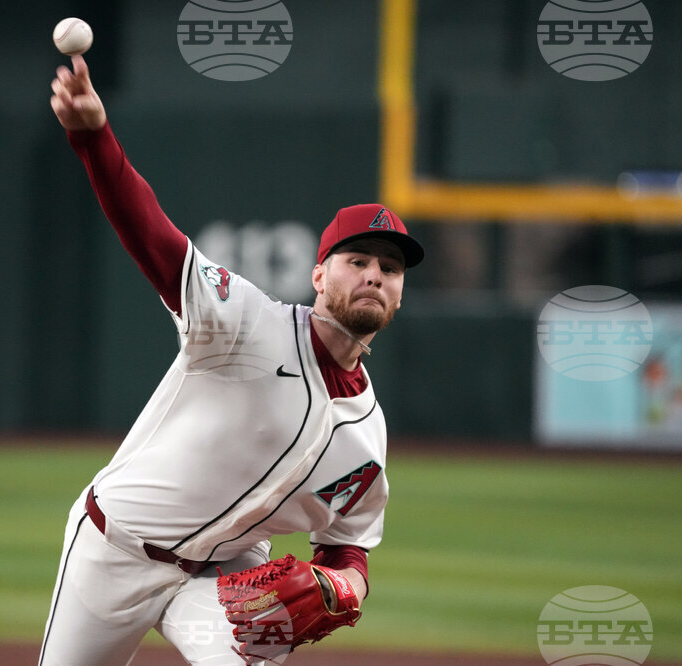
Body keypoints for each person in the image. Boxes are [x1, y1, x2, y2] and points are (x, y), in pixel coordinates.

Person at [39, 55, 425, 666]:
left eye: (391, 268)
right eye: (359, 261)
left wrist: (337, 587)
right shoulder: (247, 322)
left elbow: (348, 552)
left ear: (400, 292)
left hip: (222, 582)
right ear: (319, 274)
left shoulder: (367, 439)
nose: (376, 275)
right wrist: (92, 137)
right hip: (114, 551)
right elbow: (153, 238)